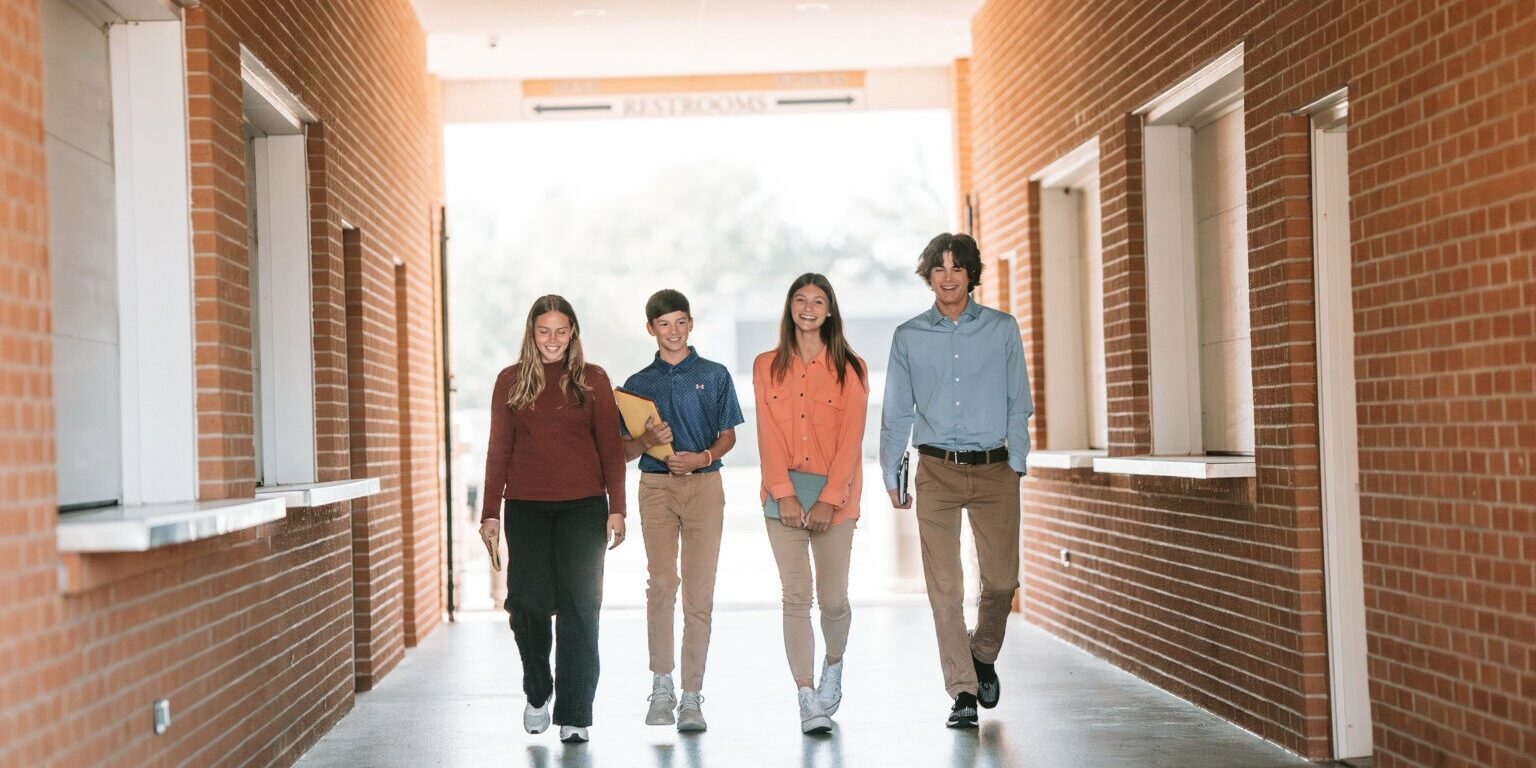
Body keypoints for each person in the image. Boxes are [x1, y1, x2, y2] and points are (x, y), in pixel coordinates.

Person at [879, 233, 1033, 728]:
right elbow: (897, 410)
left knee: (1002, 580)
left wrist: (1017, 462)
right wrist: (891, 473)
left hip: (995, 470)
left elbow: (1019, 400)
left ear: (971, 274)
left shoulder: (1002, 329)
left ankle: (982, 653)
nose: (948, 277)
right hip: (937, 472)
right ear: (929, 275)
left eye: (957, 268)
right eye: (939, 268)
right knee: (944, 587)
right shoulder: (908, 336)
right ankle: (963, 689)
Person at [478, 295, 627, 744]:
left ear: (573, 333)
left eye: (561, 330)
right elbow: (497, 450)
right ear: (531, 333)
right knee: (527, 603)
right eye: (545, 330)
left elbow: (611, 449)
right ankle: (538, 691)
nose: (553, 340)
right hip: (525, 508)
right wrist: (489, 512)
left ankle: (575, 712)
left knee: (581, 608)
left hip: (584, 508)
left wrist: (617, 506)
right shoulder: (509, 381)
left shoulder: (594, 380)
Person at [620, 289, 744, 733]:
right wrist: (648, 440)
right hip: (655, 487)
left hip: (705, 485)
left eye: (680, 322)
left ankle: (692, 696)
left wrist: (701, 458)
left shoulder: (714, 375)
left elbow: (728, 436)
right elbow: (624, 450)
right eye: (663, 324)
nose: (673, 331)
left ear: (690, 324)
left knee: (699, 591)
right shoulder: (637, 384)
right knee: (661, 585)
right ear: (650, 329)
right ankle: (662, 686)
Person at [752, 273, 869, 734]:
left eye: (818, 301)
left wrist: (829, 499)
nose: (808, 308)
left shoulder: (852, 367)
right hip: (782, 493)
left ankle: (833, 664)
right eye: (801, 300)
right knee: (796, 597)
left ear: (830, 310)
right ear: (790, 308)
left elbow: (852, 440)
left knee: (834, 599)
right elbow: (766, 432)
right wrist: (781, 492)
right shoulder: (767, 365)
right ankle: (806, 696)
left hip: (834, 494)